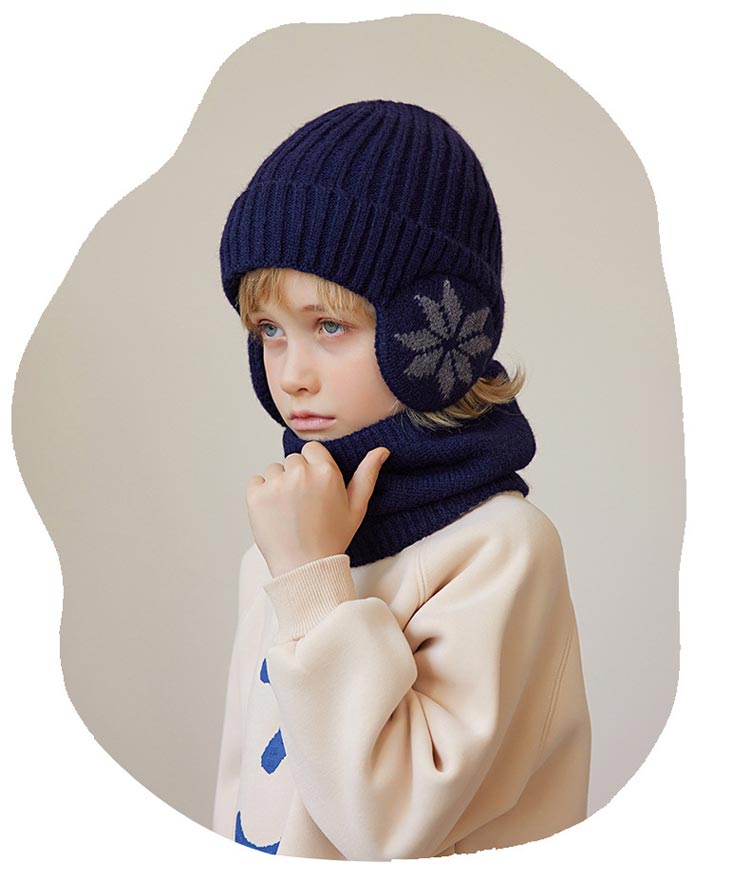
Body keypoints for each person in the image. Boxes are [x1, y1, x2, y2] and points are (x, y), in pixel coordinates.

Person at [212, 99, 592, 861]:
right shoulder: (283, 538)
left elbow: (388, 826)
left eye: (330, 326)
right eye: (270, 331)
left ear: (431, 328)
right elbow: (244, 798)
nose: (292, 374)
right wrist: (300, 563)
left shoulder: (500, 550)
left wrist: (313, 583)